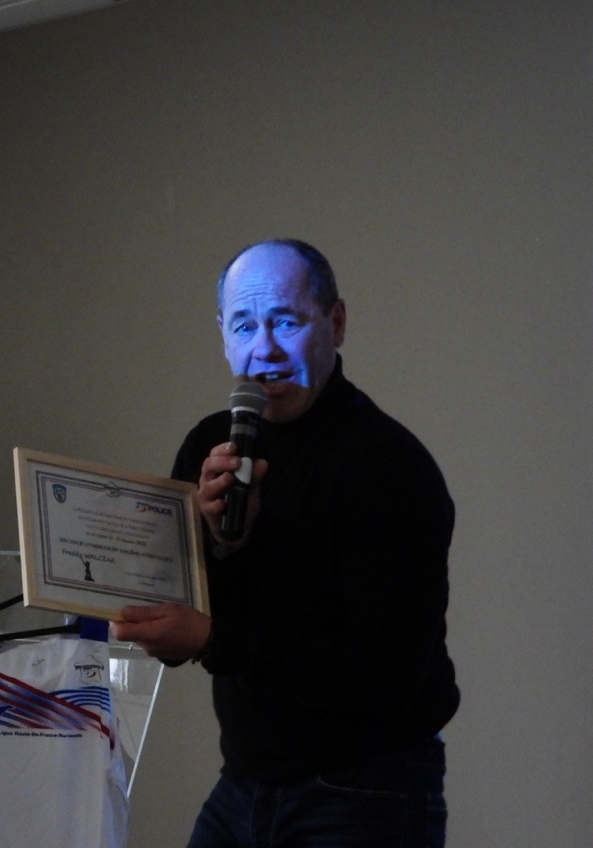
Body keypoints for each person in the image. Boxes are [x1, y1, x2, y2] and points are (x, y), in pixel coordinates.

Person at [113, 240, 458, 848]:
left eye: (286, 322)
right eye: (245, 325)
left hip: (364, 787)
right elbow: (175, 635)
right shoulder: (211, 446)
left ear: (336, 323)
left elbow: (382, 678)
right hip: (245, 781)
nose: (264, 348)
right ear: (223, 335)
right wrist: (215, 542)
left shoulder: (387, 466)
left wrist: (212, 638)